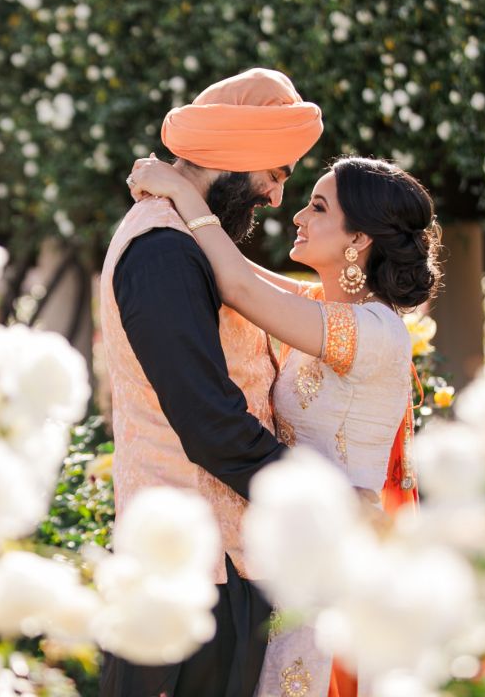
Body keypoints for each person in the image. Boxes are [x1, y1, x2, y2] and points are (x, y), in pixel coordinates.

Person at [127, 154, 442, 697]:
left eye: (318, 207)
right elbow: (239, 274)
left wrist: (180, 190)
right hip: (295, 560)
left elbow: (240, 290)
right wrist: (178, 197)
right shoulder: (327, 309)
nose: (297, 215)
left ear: (358, 239)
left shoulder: (374, 333)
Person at [99, 67, 323, 697]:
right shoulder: (162, 252)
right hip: (191, 577)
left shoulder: (185, 238)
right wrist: (321, 501)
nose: (278, 197)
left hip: (211, 566)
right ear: (236, 156)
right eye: (276, 173)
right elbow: (210, 424)